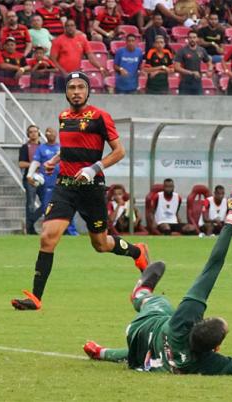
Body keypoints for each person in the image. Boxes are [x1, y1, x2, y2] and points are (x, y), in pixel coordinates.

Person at [82, 180, 232, 375]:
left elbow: (213, 265)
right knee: (152, 345)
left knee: (160, 304)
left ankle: (140, 294)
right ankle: (105, 349)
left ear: (198, 321)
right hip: (141, 353)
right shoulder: (204, 363)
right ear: (215, 349)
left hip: (142, 328)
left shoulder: (182, 321)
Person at [10, 71, 150, 311]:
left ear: (87, 91)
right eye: (72, 87)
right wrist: (55, 158)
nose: (76, 92)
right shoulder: (63, 116)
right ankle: (35, 298)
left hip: (91, 188)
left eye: (80, 87)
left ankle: (138, 251)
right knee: (47, 237)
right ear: (66, 92)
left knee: (100, 244)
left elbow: (119, 152)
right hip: (65, 185)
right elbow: (69, 147)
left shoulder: (100, 117)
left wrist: (93, 169)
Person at [26, 127, 78, 236]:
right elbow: (35, 162)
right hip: (48, 182)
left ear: (56, 134)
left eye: (52, 132)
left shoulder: (61, 147)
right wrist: (30, 174)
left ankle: (71, 231)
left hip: (63, 181)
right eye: (47, 132)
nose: (50, 134)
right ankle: (50, 231)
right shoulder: (41, 148)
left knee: (68, 205)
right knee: (47, 207)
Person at [50, 19, 107, 91]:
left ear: (75, 27)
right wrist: (63, 72)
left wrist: (100, 67)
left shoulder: (82, 39)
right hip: (61, 76)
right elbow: (53, 59)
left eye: (72, 25)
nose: (70, 28)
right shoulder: (58, 40)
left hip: (75, 74)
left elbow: (90, 56)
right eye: (67, 26)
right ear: (64, 28)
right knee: (60, 98)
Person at [174, 31, 212, 95]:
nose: (192, 39)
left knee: (199, 103)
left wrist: (210, 70)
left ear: (197, 39)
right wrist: (191, 73)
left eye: (194, 37)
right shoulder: (182, 51)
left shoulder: (202, 50)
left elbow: (209, 63)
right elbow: (176, 67)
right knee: (182, 103)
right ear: (187, 39)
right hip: (185, 82)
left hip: (197, 82)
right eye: (190, 38)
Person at [19, 125, 42, 235]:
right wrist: (34, 165)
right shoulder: (25, 147)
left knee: (48, 203)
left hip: (44, 179)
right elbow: (21, 163)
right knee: (31, 204)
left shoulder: (43, 147)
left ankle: (30, 221)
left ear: (39, 133)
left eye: (35, 131)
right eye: (31, 132)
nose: (33, 134)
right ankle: (30, 229)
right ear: (28, 134)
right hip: (30, 179)